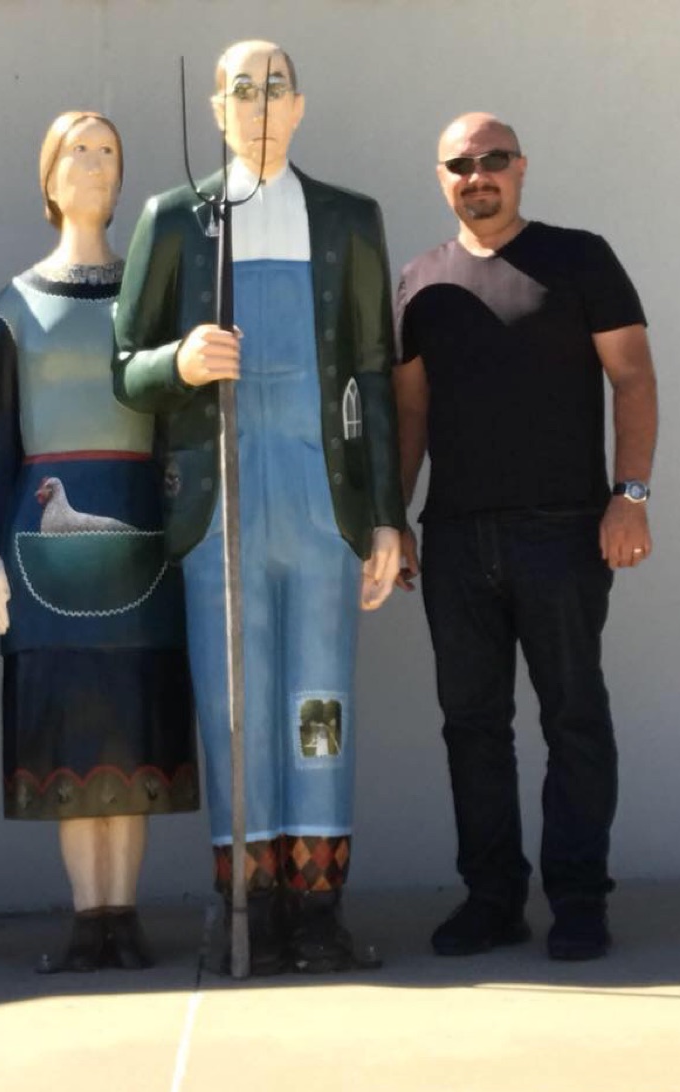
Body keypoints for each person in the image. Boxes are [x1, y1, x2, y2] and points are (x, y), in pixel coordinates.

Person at [113, 41, 404, 974]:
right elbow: (125, 367)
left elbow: (374, 370)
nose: (261, 104)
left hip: (322, 501)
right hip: (222, 505)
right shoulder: (174, 219)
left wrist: (387, 515)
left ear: (301, 104)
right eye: (243, 89)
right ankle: (246, 902)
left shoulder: (349, 220)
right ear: (217, 109)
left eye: (276, 87)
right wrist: (179, 361)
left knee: (321, 700)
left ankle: (317, 908)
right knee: (232, 703)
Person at [394, 113, 658, 961]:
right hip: (456, 538)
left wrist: (630, 497)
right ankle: (492, 899)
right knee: (472, 726)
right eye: (460, 164)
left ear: (521, 167)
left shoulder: (579, 258)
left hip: (564, 532)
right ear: (442, 177)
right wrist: (393, 520)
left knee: (574, 717)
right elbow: (410, 413)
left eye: (494, 159)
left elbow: (633, 378)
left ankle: (578, 899)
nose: (478, 175)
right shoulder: (417, 282)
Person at [0, 112, 198, 973]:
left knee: (130, 718)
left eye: (109, 150)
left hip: (143, 521)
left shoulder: (150, 297)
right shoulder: (15, 302)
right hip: (40, 539)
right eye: (77, 149)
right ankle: (88, 917)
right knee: (71, 727)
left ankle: (125, 913)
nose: (94, 163)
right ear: (48, 176)